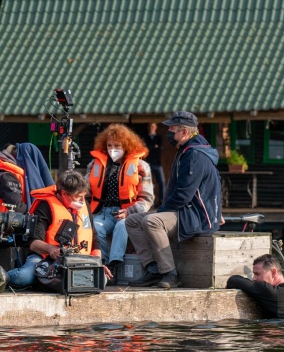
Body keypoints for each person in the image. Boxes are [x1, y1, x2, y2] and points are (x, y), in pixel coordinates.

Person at [126, 111, 222, 289]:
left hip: (196, 215)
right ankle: (153, 269)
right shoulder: (187, 150)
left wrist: (161, 211)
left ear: (184, 132)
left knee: (152, 221)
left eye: (172, 128)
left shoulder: (195, 155)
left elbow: (183, 195)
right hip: (186, 211)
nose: (168, 132)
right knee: (132, 221)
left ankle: (170, 273)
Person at [6, 171, 111, 289]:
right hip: (44, 258)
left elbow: (94, 238)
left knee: (102, 280)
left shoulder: (84, 205)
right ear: (64, 194)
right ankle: (1, 277)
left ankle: (45, 281)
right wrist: (51, 249)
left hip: (78, 260)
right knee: (24, 277)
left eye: (84, 196)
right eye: (78, 197)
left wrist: (97, 263)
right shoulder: (45, 206)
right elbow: (33, 243)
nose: (82, 201)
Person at [86, 124, 153, 284]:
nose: (112, 149)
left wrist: (129, 211)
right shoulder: (95, 164)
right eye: (109, 146)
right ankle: (102, 266)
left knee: (122, 226)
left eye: (117, 146)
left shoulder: (141, 166)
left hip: (129, 212)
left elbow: (147, 199)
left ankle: (114, 265)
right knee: (95, 227)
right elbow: (85, 190)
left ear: (127, 145)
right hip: (103, 212)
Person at [142, 123, 166, 204]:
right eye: (150, 126)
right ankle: (149, 202)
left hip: (157, 163)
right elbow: (144, 149)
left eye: (153, 126)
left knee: (162, 182)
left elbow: (160, 148)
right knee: (147, 183)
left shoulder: (159, 137)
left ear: (156, 127)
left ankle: (162, 201)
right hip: (148, 164)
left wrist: (150, 147)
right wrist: (154, 147)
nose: (151, 128)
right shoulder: (145, 137)